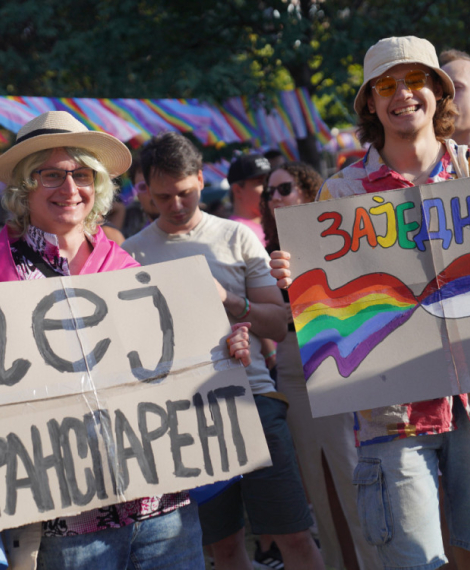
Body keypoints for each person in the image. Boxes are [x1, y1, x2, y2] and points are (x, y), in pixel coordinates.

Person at [0, 111, 251, 570]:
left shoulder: (128, 270)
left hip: (163, 512)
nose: (69, 188)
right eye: (50, 174)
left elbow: (171, 370)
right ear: (23, 188)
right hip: (66, 527)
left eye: (81, 174)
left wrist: (221, 353)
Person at [269, 36, 470, 570]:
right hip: (393, 411)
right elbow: (330, 310)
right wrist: (297, 279)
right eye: (386, 85)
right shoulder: (341, 193)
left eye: (415, 80)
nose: (402, 94)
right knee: (413, 563)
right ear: (371, 105)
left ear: (438, 92)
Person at [122, 131, 325, 570]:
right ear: (146, 191)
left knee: (293, 534)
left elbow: (280, 325)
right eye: (162, 197)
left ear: (200, 178)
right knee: (223, 547)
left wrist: (231, 305)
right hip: (181, 417)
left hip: (254, 399)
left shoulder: (237, 237)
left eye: (185, 193)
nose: (175, 206)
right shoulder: (129, 253)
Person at [261, 161, 382, 570]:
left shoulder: (335, 232)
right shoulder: (266, 249)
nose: (273, 197)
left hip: (337, 356)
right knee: (317, 482)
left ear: (307, 190)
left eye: (282, 188)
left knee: (351, 475)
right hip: (293, 364)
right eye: (268, 192)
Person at [227, 153, 271, 245]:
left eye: (269, 181)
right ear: (238, 190)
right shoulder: (233, 234)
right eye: (261, 182)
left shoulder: (274, 224)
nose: (269, 188)